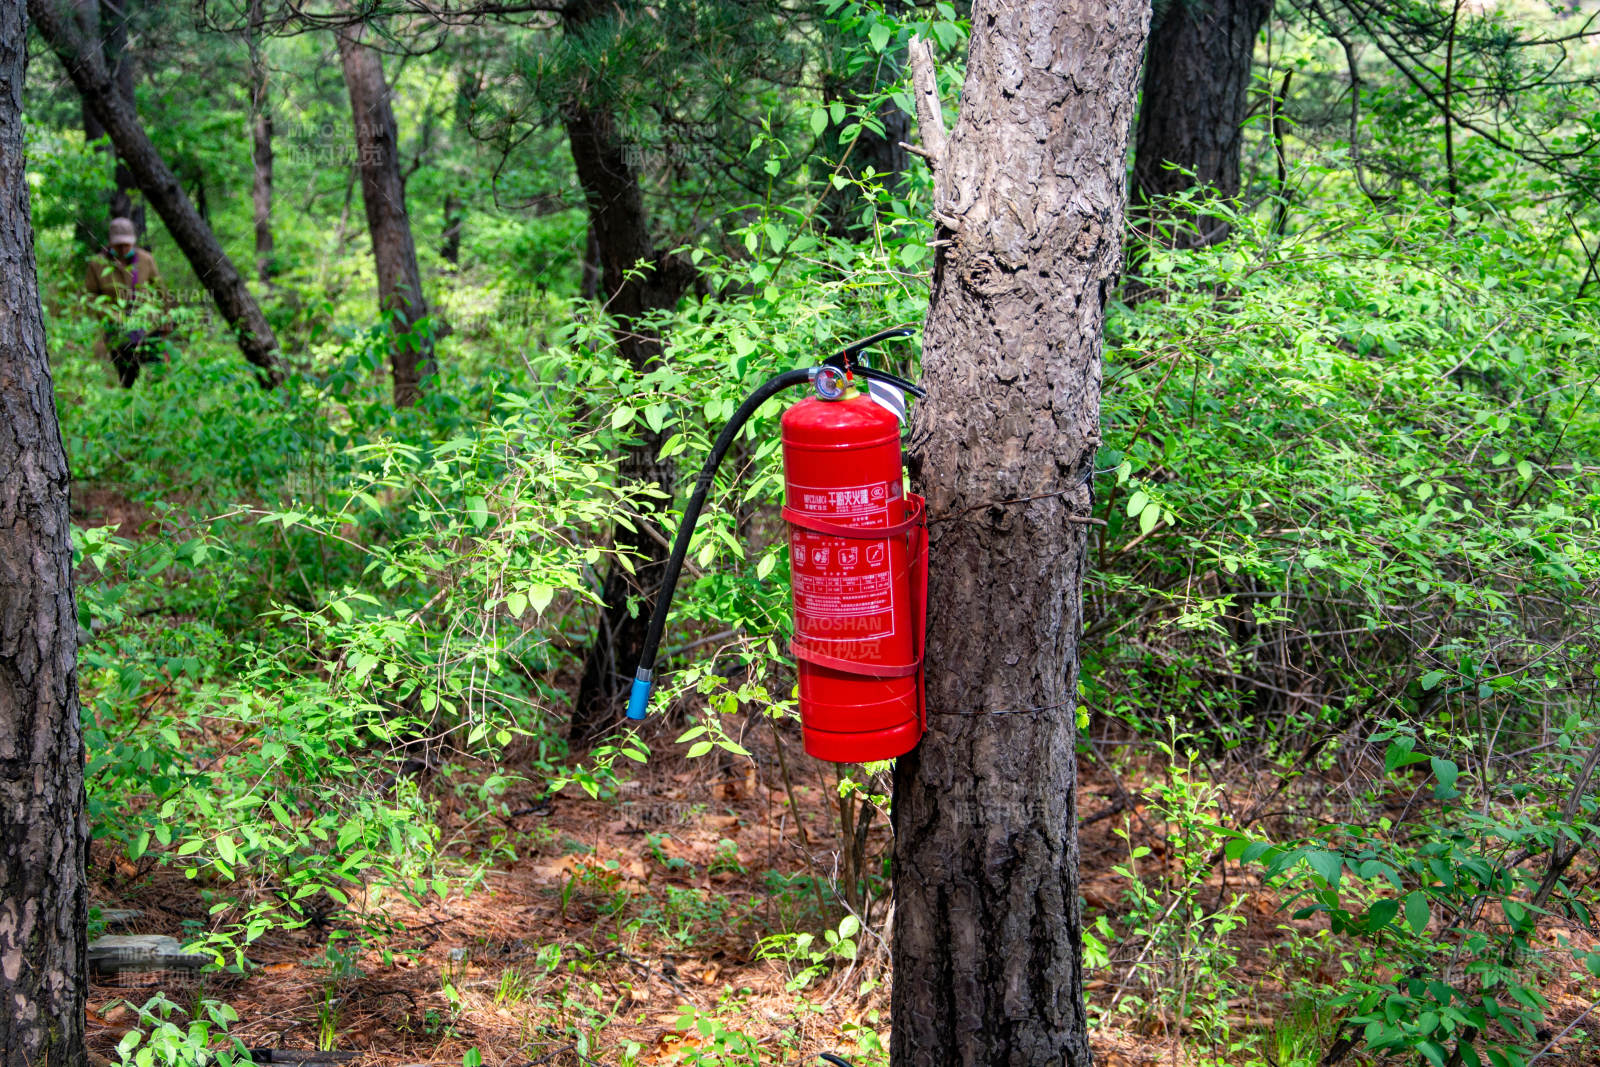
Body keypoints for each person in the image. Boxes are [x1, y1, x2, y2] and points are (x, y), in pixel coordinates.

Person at [85, 216, 174, 387]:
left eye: (126, 244)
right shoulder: (97, 264)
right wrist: (111, 315)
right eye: (118, 245)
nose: (123, 248)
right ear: (110, 242)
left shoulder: (145, 259)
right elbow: (91, 296)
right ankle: (130, 410)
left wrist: (166, 318)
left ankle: (155, 406)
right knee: (127, 375)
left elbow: (161, 290)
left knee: (156, 372)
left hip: (147, 325)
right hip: (116, 328)